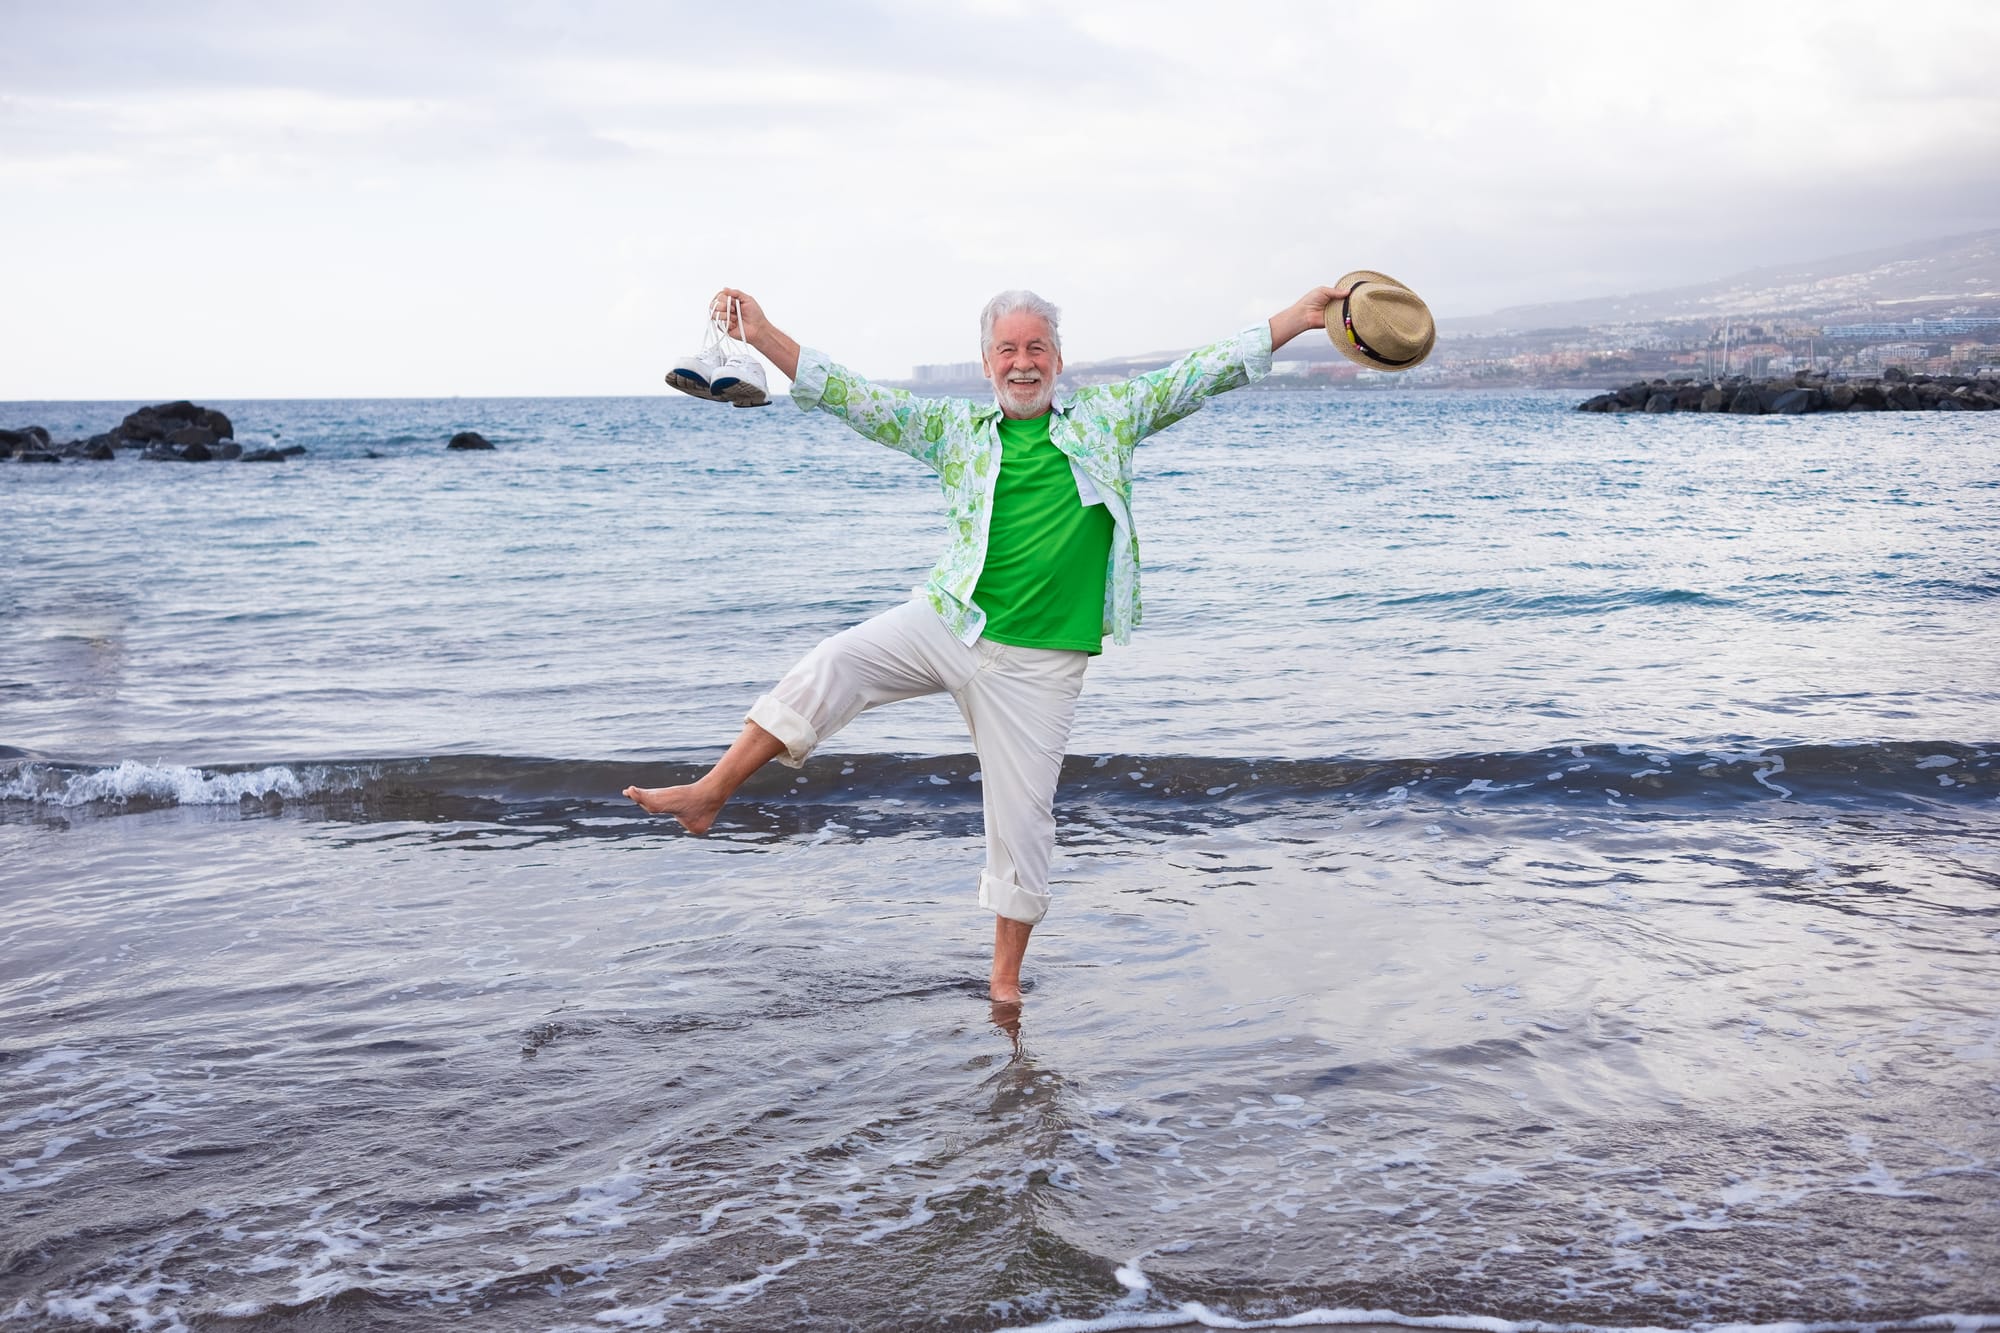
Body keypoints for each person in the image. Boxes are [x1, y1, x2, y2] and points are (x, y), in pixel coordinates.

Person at [626, 275, 1435, 1003]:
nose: (1022, 362)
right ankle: (711, 792)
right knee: (833, 661)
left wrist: (1290, 321)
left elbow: (1199, 373)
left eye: (1036, 348)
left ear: (1058, 359)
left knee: (1022, 827)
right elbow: (853, 397)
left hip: (1041, 666)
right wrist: (763, 335)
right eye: (1007, 350)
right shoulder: (953, 430)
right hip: (950, 620)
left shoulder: (1110, 418)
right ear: (986, 365)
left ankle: (1004, 989)